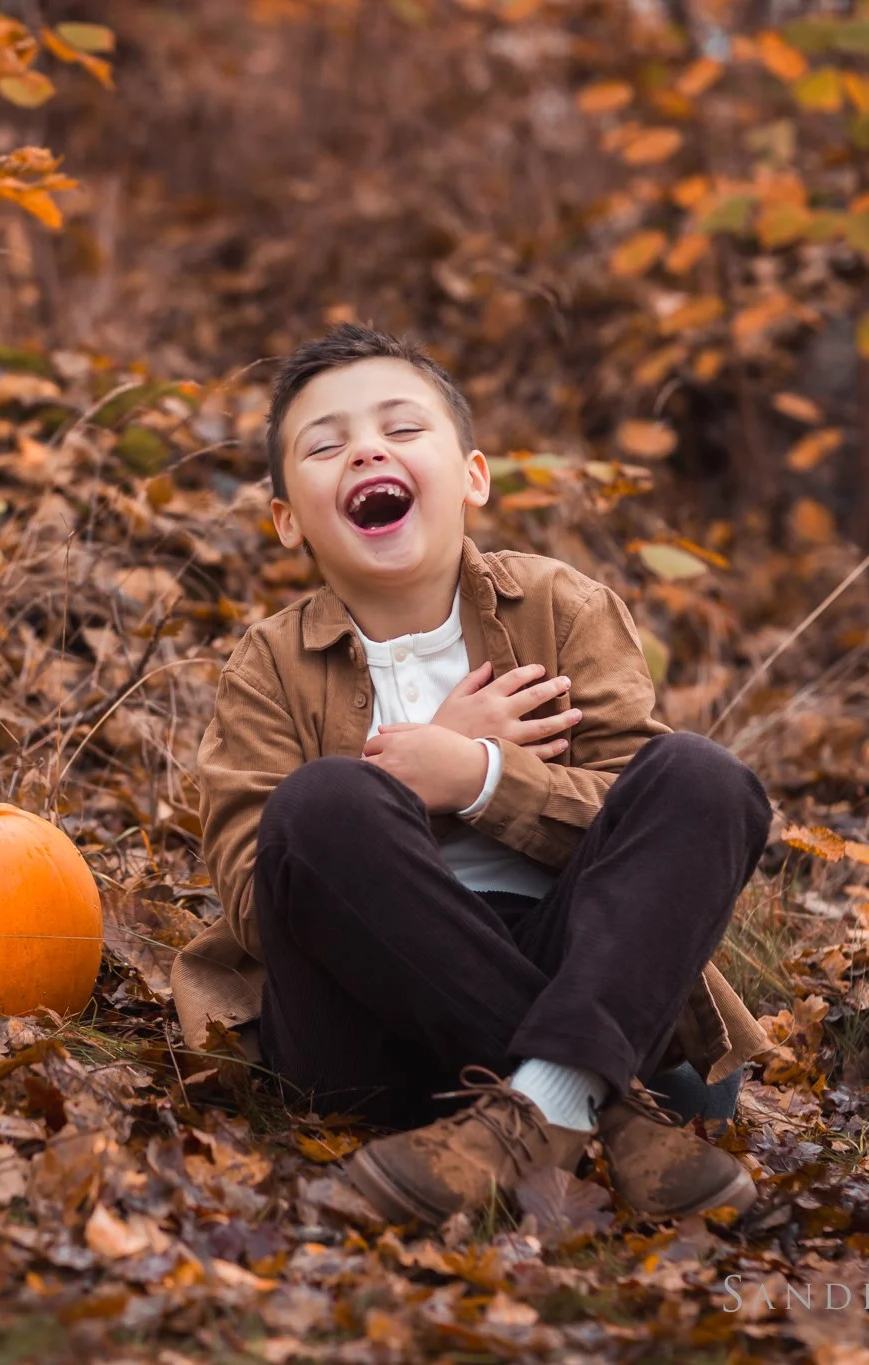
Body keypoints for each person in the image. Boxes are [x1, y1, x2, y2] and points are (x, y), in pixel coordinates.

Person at [173, 324, 773, 1224]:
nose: (367, 447)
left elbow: (641, 828)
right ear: (288, 519)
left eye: (402, 428)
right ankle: (589, 1102)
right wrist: (409, 781)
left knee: (704, 775)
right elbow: (261, 901)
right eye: (326, 443)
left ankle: (525, 1115)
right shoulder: (268, 664)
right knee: (324, 799)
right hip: (365, 1030)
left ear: (474, 476)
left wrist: (482, 777)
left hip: (580, 965)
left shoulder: (563, 608)